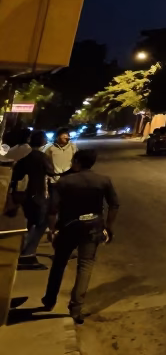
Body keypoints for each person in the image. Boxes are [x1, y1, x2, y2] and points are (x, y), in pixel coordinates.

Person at [43, 148, 119, 323]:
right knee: (85, 266)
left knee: (59, 263)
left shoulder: (64, 182)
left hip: (68, 227)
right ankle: (76, 308)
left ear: (76, 162)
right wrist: (109, 227)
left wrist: (51, 230)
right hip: (93, 227)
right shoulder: (103, 180)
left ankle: (49, 300)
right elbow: (114, 205)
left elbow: (52, 210)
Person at [12, 130, 54, 270]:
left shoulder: (26, 157)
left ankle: (23, 251)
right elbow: (51, 171)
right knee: (42, 223)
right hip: (39, 194)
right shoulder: (42, 157)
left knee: (30, 223)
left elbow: (16, 175)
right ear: (42, 141)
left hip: (27, 195)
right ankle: (28, 254)